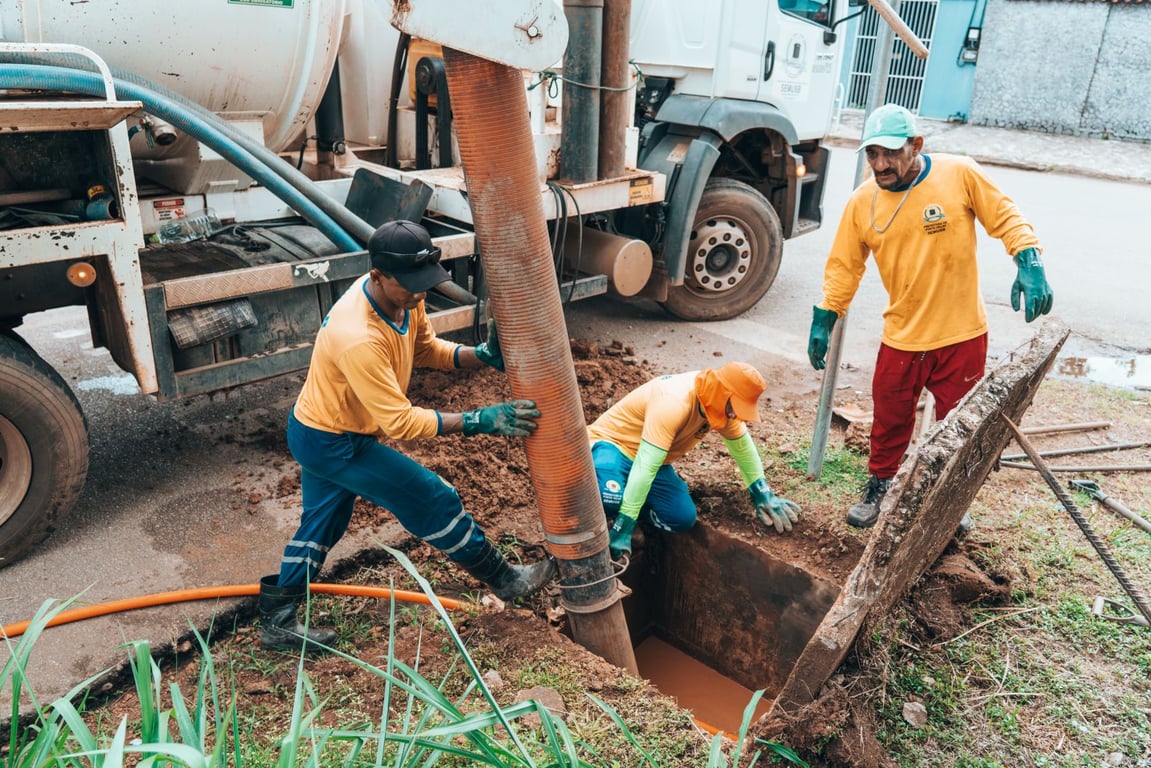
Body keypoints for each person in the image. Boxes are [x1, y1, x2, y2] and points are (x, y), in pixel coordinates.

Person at [260, 220, 556, 652]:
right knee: (432, 498)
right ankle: (505, 579)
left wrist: (480, 356)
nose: (420, 294)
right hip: (333, 440)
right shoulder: (357, 336)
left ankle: (277, 622)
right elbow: (400, 423)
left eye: (425, 283)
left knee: (323, 524)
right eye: (411, 286)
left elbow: (425, 349)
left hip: (322, 429)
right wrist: (477, 421)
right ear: (377, 275)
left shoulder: (404, 296)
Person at [807, 104, 1053, 529]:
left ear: (916, 145)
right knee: (890, 418)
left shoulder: (958, 174)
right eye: (872, 155)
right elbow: (844, 266)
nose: (880, 164)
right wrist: (825, 316)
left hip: (962, 334)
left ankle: (951, 497)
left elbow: (1006, 217)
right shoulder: (862, 202)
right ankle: (880, 485)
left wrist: (1028, 261)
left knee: (958, 423)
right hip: (903, 334)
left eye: (890, 153)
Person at [589, 362, 801, 560]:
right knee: (609, 497)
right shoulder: (673, 401)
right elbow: (645, 467)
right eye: (735, 407)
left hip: (653, 460)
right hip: (611, 447)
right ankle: (607, 520)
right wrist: (623, 528)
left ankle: (632, 512)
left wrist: (763, 494)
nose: (736, 414)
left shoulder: (720, 407)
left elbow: (743, 447)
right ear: (722, 393)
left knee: (682, 518)